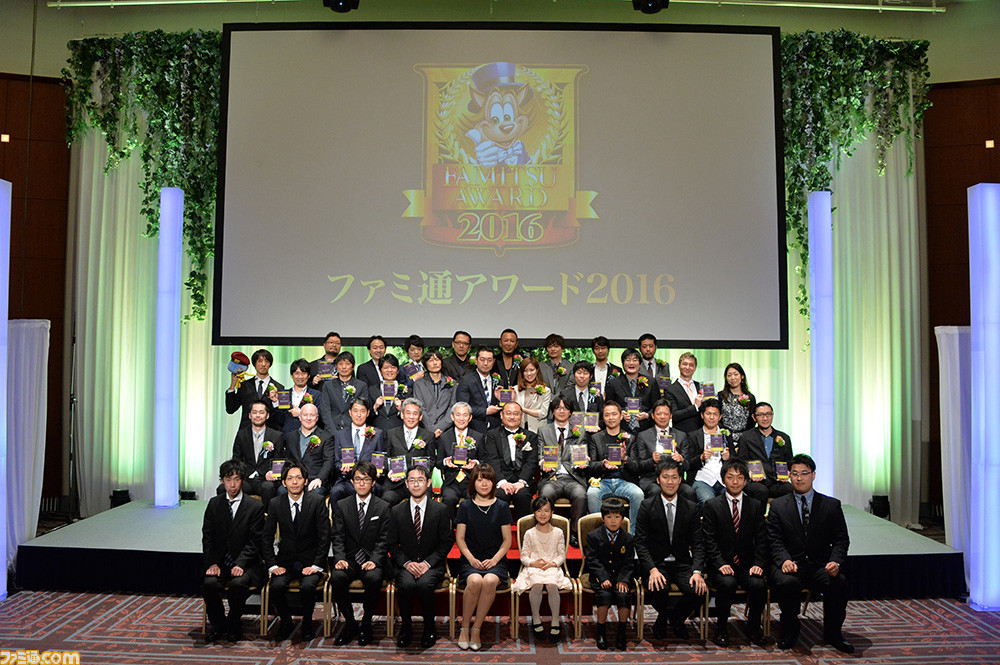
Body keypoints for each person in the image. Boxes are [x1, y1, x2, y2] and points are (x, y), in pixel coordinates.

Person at [767, 454, 852, 654]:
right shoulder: (778, 506)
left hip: (819, 565)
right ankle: (789, 630)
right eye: (795, 474)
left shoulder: (831, 505)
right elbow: (774, 540)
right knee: (787, 583)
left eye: (804, 473)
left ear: (813, 475)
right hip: (790, 564)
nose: (799, 478)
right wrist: (784, 560)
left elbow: (841, 540)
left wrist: (835, 562)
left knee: (838, 583)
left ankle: (833, 633)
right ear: (789, 476)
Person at [634, 459, 707, 641]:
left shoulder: (690, 507)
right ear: (658, 480)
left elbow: (698, 543)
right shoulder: (647, 506)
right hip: (656, 563)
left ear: (680, 480)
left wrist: (697, 572)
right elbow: (640, 543)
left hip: (682, 562)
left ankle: (675, 618)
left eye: (674, 477)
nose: (670, 482)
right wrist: (652, 570)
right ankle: (664, 619)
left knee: (699, 590)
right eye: (665, 477)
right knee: (658, 588)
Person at [702, 458, 769, 647]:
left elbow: (762, 539)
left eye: (739, 477)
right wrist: (720, 563)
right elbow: (709, 540)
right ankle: (721, 629)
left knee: (758, 585)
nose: (735, 481)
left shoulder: (755, 505)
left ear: (746, 480)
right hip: (720, 564)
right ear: (723, 480)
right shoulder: (712, 505)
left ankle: (754, 628)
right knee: (727, 583)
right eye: (730, 477)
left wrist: (758, 564)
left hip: (747, 565)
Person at [387, 465, 454, 649]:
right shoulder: (396, 511)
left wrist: (428, 563)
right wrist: (406, 563)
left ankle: (429, 627)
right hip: (406, 564)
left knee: (424, 584)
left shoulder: (440, 510)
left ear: (429, 483)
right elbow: (392, 543)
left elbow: (447, 542)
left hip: (432, 564)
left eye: (420, 480)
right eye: (412, 480)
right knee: (406, 584)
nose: (416, 484)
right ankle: (406, 627)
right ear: (406, 484)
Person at [264, 463, 331, 643]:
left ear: (306, 481)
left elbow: (325, 537)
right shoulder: (275, 503)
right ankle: (286, 621)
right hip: (285, 562)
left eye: (299, 478)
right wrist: (272, 565)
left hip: (310, 562)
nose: (294, 482)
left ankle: (307, 623)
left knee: (308, 587)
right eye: (290, 478)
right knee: (276, 586)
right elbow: (266, 537)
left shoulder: (317, 502)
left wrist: (316, 565)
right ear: (283, 483)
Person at [202, 459, 265, 643]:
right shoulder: (214, 504)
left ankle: (234, 622)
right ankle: (218, 623)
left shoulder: (255, 506)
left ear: (243, 480)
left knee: (238, 584)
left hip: (247, 563)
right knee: (209, 584)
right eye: (228, 480)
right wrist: (212, 563)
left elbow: (255, 541)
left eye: (236, 479)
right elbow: (208, 537)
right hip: (220, 562)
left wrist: (241, 563)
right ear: (222, 481)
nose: (232, 484)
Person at [330, 460, 391, 647]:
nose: (361, 483)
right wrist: (339, 558)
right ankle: (350, 623)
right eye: (357, 479)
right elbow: (337, 536)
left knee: (374, 578)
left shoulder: (383, 506)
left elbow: (384, 539)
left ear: (373, 482)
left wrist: (375, 560)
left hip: (372, 559)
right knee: (337, 577)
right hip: (349, 559)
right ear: (352, 482)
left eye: (366, 479)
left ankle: (366, 623)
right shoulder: (342, 505)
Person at [454, 464, 513, 651]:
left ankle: (476, 629)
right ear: (473, 482)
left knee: (489, 580)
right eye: (479, 480)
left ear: (493, 482)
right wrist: (471, 559)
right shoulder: (465, 506)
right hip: (471, 559)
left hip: (495, 560)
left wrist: (494, 560)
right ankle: (465, 627)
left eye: (487, 479)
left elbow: (507, 541)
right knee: (475, 581)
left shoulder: (502, 506)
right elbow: (460, 538)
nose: (484, 484)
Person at [512, 496, 573, 642]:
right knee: (537, 584)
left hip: (552, 566)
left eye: (546, 510)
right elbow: (524, 556)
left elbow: (561, 555)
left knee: (552, 585)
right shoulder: (529, 533)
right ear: (534, 513)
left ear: (552, 512)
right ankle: (536, 619)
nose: (543, 514)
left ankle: (555, 621)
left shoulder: (558, 532)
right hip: (534, 567)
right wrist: (533, 563)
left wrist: (553, 563)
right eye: (539, 510)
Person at [536, 395, 589, 546]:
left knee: (581, 495)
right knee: (545, 494)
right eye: (558, 408)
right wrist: (542, 463)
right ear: (553, 411)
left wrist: (584, 461)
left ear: (570, 412)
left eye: (565, 408)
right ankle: (548, 531)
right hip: (552, 478)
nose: (561, 411)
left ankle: (574, 532)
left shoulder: (579, 431)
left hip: (573, 477)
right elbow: (540, 454)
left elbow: (582, 453)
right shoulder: (543, 430)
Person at [586, 401, 644, 532]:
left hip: (624, 481)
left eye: (614, 414)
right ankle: (600, 534)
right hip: (602, 481)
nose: (611, 418)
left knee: (638, 494)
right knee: (592, 493)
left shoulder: (630, 438)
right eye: (607, 415)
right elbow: (591, 465)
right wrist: (603, 464)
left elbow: (636, 467)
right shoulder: (595, 438)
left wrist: (625, 458)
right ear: (603, 418)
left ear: (621, 416)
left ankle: (632, 534)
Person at [585, 498, 634, 651]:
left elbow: (629, 562)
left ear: (622, 519)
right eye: (609, 517)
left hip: (621, 577)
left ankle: (621, 633)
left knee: (623, 596)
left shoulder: (628, 538)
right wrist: (603, 577)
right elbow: (592, 560)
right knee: (604, 596)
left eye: (617, 517)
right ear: (603, 518)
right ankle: (601, 632)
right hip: (600, 577)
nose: (613, 521)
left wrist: (623, 579)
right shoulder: (593, 536)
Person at [627, 398, 697, 503]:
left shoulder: (681, 435)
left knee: (689, 492)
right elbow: (639, 466)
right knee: (656, 491)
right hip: (652, 479)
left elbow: (688, 465)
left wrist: (681, 459)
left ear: (671, 416)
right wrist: (652, 460)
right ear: (653, 415)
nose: (662, 417)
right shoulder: (643, 436)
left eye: (666, 414)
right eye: (659, 414)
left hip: (674, 478)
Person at [481, 401, 539, 518]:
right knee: (501, 495)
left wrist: (521, 482)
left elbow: (532, 462)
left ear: (521, 416)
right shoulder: (492, 435)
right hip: (501, 480)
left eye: (516, 414)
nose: (512, 417)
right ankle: (499, 529)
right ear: (501, 415)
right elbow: (492, 460)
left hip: (523, 480)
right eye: (508, 413)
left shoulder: (531, 436)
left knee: (522, 495)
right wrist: (502, 482)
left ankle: (523, 528)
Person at [381, 397, 436, 506]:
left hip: (419, 484)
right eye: (408, 413)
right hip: (396, 484)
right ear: (402, 415)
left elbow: (432, 461)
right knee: (386, 500)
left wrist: (419, 474)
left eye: (415, 414)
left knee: (426, 501)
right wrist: (390, 471)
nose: (411, 417)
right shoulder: (391, 433)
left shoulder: (429, 436)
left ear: (420, 417)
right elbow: (385, 458)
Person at [330, 398, 386, 503]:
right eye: (355, 411)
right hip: (347, 480)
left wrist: (378, 470)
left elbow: (380, 458)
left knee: (377, 490)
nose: (359, 415)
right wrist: (343, 469)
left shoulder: (377, 434)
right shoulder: (340, 435)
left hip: (368, 481)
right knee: (335, 492)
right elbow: (336, 462)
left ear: (368, 413)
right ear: (350, 412)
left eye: (362, 411)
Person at [228, 400, 284, 506]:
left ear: (267, 415)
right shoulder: (241, 435)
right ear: (250, 415)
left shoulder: (277, 436)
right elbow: (236, 458)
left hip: (266, 479)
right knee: (228, 487)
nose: (258, 415)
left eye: (261, 412)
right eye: (254, 412)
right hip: (246, 478)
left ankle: (268, 516)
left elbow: (279, 459)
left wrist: (273, 471)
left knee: (268, 488)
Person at [737, 401, 794, 501]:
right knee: (761, 491)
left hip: (776, 481)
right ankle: (759, 512)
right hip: (755, 481)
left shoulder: (784, 437)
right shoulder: (746, 437)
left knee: (790, 489)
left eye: (768, 414)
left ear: (772, 415)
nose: (765, 418)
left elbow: (789, 461)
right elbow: (741, 461)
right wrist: (749, 473)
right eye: (760, 415)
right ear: (754, 417)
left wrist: (788, 473)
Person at [435, 402, 483, 515]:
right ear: (452, 417)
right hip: (451, 482)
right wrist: (445, 462)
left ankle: (470, 526)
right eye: (458, 415)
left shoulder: (478, 437)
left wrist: (475, 463)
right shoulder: (444, 437)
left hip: (471, 481)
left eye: (465, 415)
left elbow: (484, 460)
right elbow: (438, 463)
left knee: (473, 499)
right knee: (449, 499)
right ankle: (449, 526)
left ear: (470, 418)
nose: (461, 418)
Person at [687, 398, 737, 505]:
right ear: (702, 415)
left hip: (724, 478)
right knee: (708, 501)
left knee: (736, 500)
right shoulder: (693, 435)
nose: (711, 417)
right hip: (702, 478)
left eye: (715, 414)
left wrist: (728, 458)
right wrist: (701, 457)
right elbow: (687, 463)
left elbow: (736, 459)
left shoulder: (726, 434)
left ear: (720, 417)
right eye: (708, 413)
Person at [280, 402, 334, 496]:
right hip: (294, 479)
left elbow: (328, 461)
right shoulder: (290, 436)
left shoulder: (326, 437)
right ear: (300, 417)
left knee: (316, 493)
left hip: (314, 480)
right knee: (281, 491)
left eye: (312, 415)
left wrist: (319, 478)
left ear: (317, 418)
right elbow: (287, 460)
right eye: (305, 415)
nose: (308, 418)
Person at [226, 348, 284, 431]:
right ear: (254, 364)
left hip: (270, 434)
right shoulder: (244, 386)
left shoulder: (280, 388)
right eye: (260, 361)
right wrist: (232, 386)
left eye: (266, 361)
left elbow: (282, 417)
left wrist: (275, 402)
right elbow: (230, 409)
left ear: (270, 364)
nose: (263, 364)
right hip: (247, 433)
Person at [605, 348, 656, 434]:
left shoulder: (651, 382)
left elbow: (657, 405)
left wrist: (647, 415)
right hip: (621, 429)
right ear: (623, 364)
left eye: (635, 360)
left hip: (646, 429)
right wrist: (619, 414)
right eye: (628, 360)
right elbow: (608, 406)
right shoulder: (614, 383)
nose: (631, 363)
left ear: (640, 364)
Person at [411, 349, 458, 437]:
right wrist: (431, 428)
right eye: (431, 360)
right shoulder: (419, 384)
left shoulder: (452, 383)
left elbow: (452, 406)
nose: (435, 363)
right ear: (425, 364)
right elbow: (420, 408)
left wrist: (441, 427)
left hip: (446, 430)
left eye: (437, 359)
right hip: (425, 429)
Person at [456, 346, 502, 433]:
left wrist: (502, 400)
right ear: (476, 361)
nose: (485, 363)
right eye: (482, 359)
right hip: (474, 429)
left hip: (495, 430)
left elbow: (503, 407)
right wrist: (485, 411)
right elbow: (462, 407)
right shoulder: (466, 381)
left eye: (489, 360)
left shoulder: (499, 381)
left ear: (493, 362)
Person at [319, 351, 369, 431]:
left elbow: (362, 410)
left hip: (352, 430)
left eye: (347, 364)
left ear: (353, 366)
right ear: (336, 366)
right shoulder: (328, 385)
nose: (344, 367)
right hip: (331, 430)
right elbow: (325, 411)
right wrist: (334, 432)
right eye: (340, 364)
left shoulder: (361, 386)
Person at [275, 358, 322, 433]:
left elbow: (320, 418)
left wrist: (301, 413)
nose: (300, 377)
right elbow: (279, 420)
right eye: (297, 373)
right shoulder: (284, 394)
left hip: (309, 436)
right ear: (291, 375)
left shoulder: (316, 395)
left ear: (309, 376)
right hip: (287, 436)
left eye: (303, 373)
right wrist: (275, 402)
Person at [663, 352, 702, 434]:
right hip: (681, 434)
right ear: (679, 366)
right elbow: (674, 415)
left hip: (700, 434)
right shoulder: (670, 389)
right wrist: (695, 407)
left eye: (691, 365)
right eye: (685, 364)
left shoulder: (700, 386)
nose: (687, 367)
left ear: (695, 368)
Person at [717, 362, 756, 443]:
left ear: (742, 376)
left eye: (736, 374)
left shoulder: (750, 397)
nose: (732, 378)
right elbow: (717, 417)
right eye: (729, 375)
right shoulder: (720, 396)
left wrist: (745, 438)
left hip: (745, 439)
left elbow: (752, 421)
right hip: (724, 438)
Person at [514, 357, 552, 432]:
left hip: (538, 430)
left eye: (532, 370)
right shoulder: (515, 389)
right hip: (519, 429)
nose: (529, 374)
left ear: (537, 370)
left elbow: (543, 413)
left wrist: (522, 409)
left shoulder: (546, 391)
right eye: (525, 371)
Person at [368, 353, 404, 430]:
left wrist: (401, 409)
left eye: (393, 367)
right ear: (380, 371)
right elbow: (366, 415)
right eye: (385, 367)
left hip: (398, 432)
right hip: (377, 431)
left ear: (398, 370)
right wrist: (375, 407)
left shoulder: (406, 391)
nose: (389, 370)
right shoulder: (372, 390)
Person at [539, 333, 573, 398]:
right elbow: (540, 386)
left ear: (562, 349)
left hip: (565, 401)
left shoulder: (571, 367)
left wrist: (557, 399)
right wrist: (550, 398)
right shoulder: (541, 367)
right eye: (550, 347)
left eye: (556, 346)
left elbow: (570, 387)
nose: (553, 349)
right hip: (545, 400)